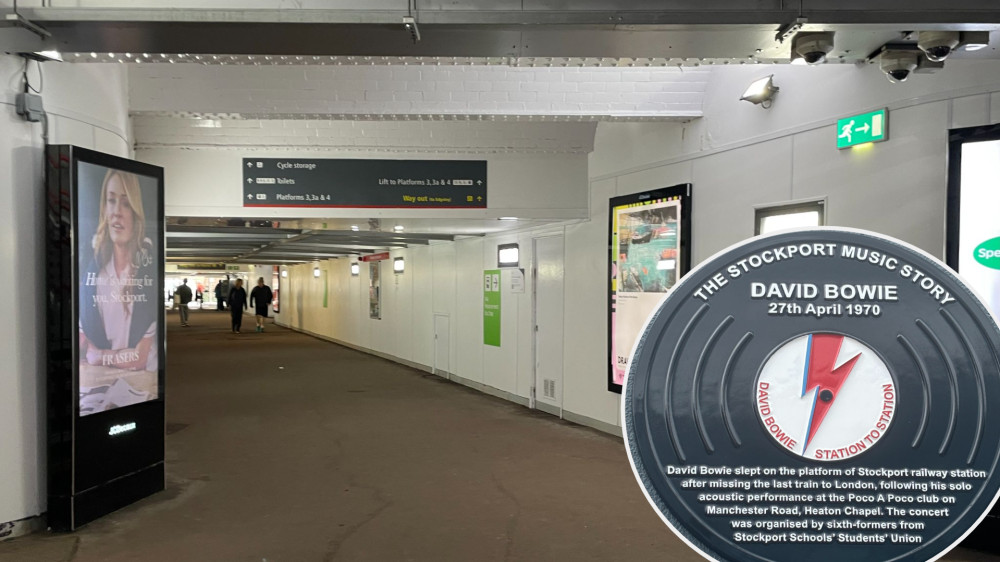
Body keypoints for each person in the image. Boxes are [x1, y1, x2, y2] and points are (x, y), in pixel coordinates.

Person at [79, 168, 157, 373]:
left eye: (126, 203)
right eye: (111, 201)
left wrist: (101, 356)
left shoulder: (147, 276)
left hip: (141, 383)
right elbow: (82, 346)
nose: (117, 212)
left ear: (136, 212)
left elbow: (140, 358)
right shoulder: (93, 276)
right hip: (102, 384)